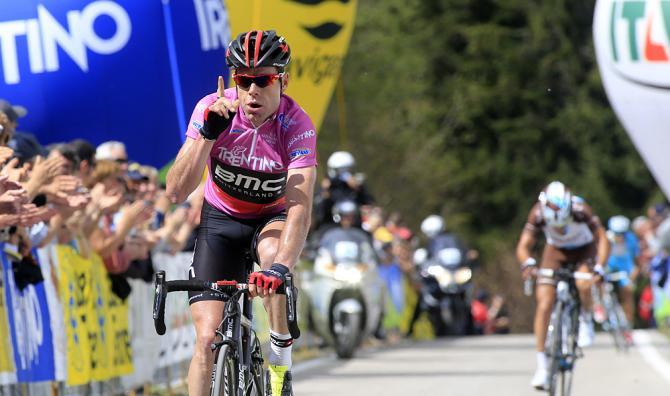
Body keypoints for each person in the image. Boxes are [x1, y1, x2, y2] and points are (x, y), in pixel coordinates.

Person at [166, 30, 316, 396]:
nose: (252, 91)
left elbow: (300, 208)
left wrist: (280, 269)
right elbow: (175, 191)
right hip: (220, 221)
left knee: (270, 260)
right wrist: (207, 134)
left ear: (283, 79)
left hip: (271, 218)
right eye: (243, 80)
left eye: (262, 80)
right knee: (205, 340)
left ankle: (280, 357)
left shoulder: (296, 126)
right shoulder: (213, 109)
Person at [516, 181, 610, 390]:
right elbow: (524, 244)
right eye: (554, 225)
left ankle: (585, 317)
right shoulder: (538, 213)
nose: (558, 227)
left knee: (582, 282)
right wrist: (528, 262)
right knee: (544, 303)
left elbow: (602, 239)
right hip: (556, 251)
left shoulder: (580, 210)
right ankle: (542, 366)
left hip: (584, 250)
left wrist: (600, 267)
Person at [313, 150, 374, 230]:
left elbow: (368, 202)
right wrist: (325, 194)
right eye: (341, 170)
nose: (345, 174)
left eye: (348, 170)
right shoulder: (327, 186)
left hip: (354, 228)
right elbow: (319, 211)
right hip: (330, 228)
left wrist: (359, 189)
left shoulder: (356, 187)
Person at [600, 216, 638, 330]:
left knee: (627, 291)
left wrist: (634, 273)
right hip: (609, 267)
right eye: (617, 233)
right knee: (600, 284)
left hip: (625, 269)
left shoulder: (631, 239)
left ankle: (628, 322)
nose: (619, 236)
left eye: (622, 234)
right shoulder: (606, 238)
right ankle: (602, 311)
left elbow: (636, 259)